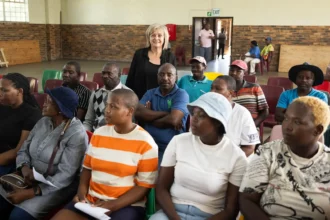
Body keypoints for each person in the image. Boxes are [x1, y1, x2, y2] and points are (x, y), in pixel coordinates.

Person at [53, 89, 158, 220]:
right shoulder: (99, 133)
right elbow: (87, 168)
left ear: (130, 111)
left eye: (113, 107)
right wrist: (81, 193)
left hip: (124, 206)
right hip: (91, 201)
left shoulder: (146, 143)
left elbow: (144, 187)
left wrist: (113, 205)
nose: (106, 110)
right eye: (107, 105)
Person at [150, 92, 248, 220]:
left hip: (209, 216)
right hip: (172, 212)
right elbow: (161, 188)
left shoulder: (236, 157)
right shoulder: (178, 141)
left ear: (218, 122)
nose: (194, 119)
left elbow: (231, 210)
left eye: (201, 116)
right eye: (193, 113)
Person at [0, 87, 88, 220]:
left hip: (56, 186)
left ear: (60, 108)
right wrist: (24, 168)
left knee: (18, 216)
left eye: (49, 101)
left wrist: (31, 192)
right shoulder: (42, 122)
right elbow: (23, 149)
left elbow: (65, 176)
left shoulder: (76, 134)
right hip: (29, 177)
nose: (43, 103)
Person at [239, 96, 330, 219]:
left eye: (297, 122)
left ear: (317, 130)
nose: (287, 126)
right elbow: (247, 199)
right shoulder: (267, 152)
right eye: (286, 118)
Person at [135, 63, 189, 164]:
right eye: (161, 74)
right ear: (157, 77)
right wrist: (166, 114)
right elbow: (137, 113)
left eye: (169, 75)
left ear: (176, 77)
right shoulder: (150, 93)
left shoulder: (181, 94)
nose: (165, 78)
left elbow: (174, 120)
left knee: (156, 175)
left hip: (170, 147)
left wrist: (149, 117)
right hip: (147, 143)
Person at [0, 73, 41, 176]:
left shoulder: (32, 114)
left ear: (20, 91)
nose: (0, 93)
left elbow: (18, 151)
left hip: (10, 162)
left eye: (5, 90)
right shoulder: (3, 106)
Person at [211, 75, 260, 157]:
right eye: (211, 88)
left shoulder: (242, 113)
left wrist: (227, 161)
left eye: (218, 89)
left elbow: (249, 147)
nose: (212, 92)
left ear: (231, 93)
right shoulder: (205, 110)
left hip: (232, 161)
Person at [126, 23, 176, 99]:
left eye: (159, 35)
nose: (156, 38)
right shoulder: (139, 54)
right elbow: (130, 78)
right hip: (140, 98)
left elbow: (174, 81)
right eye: (153, 35)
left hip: (162, 99)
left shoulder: (170, 56)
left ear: (164, 38)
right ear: (148, 38)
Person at [83, 62, 130, 131]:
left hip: (118, 135)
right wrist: (84, 134)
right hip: (97, 134)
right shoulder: (96, 94)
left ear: (119, 75)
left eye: (109, 73)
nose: (105, 76)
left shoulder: (128, 94)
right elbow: (88, 121)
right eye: (103, 73)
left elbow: (130, 123)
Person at [229, 60, 269, 127]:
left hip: (251, 125)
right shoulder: (225, 89)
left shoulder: (254, 88)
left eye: (238, 71)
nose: (234, 73)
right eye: (231, 70)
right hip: (231, 126)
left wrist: (252, 126)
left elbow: (265, 111)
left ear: (245, 73)